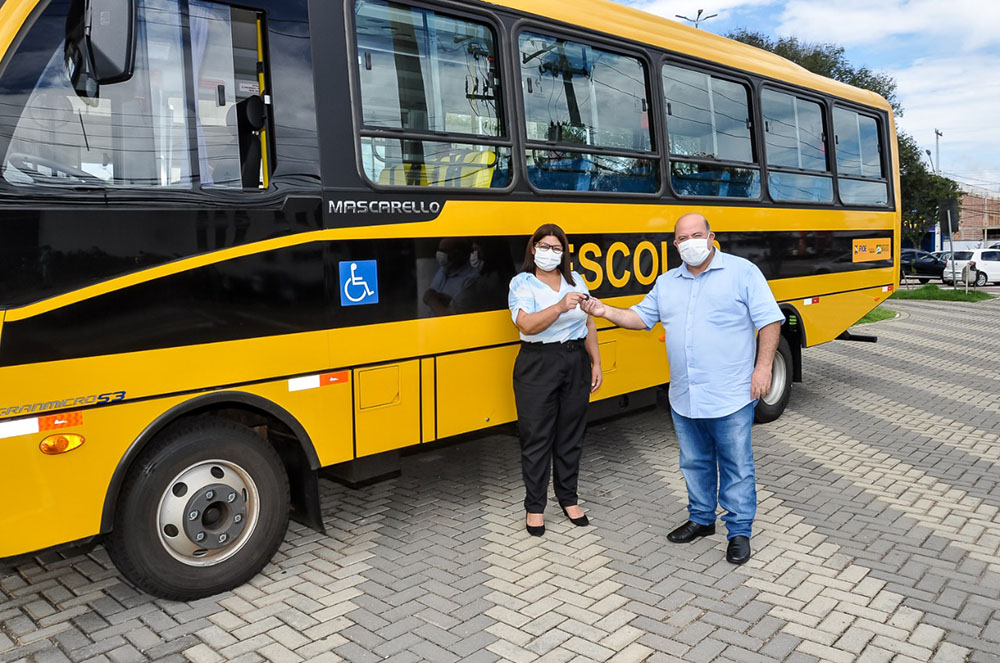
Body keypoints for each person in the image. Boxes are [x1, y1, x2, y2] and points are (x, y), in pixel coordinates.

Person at [581, 213, 783, 564]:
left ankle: (739, 531)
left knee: (736, 465)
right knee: (694, 462)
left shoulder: (742, 272)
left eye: (696, 235)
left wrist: (763, 367)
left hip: (731, 394)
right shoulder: (667, 283)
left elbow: (770, 320)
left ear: (711, 237)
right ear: (675, 244)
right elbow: (640, 318)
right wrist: (602, 309)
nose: (690, 242)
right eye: (682, 237)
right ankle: (702, 519)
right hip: (686, 395)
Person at [509, 224, 602, 536]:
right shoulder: (522, 283)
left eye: (556, 247)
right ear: (533, 248)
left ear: (564, 252)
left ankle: (568, 498)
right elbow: (526, 325)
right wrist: (560, 306)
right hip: (538, 363)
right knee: (536, 437)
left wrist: (595, 362)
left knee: (571, 435)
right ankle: (535, 507)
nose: (550, 252)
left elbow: (589, 323)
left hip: (575, 361)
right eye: (544, 246)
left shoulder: (576, 281)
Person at [423, 238, 476, 315]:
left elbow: (453, 315)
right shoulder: (442, 270)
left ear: (458, 253)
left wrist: (432, 300)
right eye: (439, 250)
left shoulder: (470, 279)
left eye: (444, 251)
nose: (439, 254)